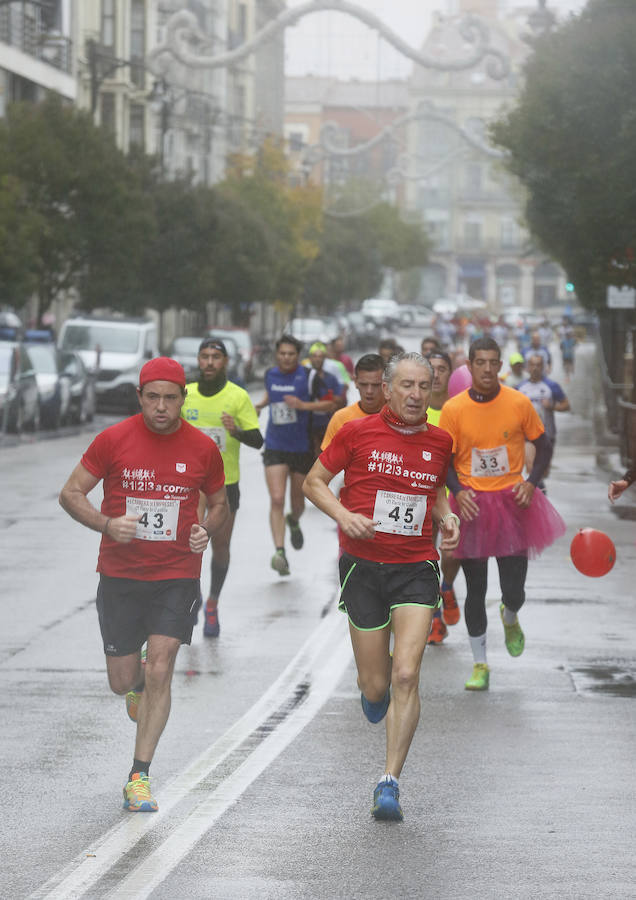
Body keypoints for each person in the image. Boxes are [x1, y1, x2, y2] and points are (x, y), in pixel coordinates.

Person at [58, 358, 228, 812]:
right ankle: (134, 686)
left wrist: (206, 529)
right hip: (120, 575)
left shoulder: (202, 448)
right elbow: (71, 493)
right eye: (152, 397)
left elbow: (219, 503)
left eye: (170, 398)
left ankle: (139, 774)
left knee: (161, 668)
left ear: (183, 400)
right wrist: (106, 523)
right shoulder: (113, 439)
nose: (160, 406)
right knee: (123, 681)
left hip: (177, 574)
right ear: (139, 397)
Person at [303, 352, 460, 822]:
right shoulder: (355, 432)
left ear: (432, 392)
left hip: (415, 566)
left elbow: (434, 490)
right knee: (376, 685)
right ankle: (375, 694)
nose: (415, 395)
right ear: (387, 390)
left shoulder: (440, 441)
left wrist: (446, 516)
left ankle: (389, 781)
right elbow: (314, 483)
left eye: (424, 387)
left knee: (407, 674)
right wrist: (345, 515)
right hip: (364, 567)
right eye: (406, 386)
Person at [439, 337, 566, 692]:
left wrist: (532, 482)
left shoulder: (518, 402)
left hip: (512, 503)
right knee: (475, 589)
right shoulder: (454, 409)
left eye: (493, 362)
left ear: (500, 366)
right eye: (480, 362)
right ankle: (480, 663)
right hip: (473, 507)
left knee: (515, 590)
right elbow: (443, 460)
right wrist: (459, 491)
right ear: (470, 364)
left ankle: (510, 616)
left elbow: (543, 445)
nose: (487, 369)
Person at [181, 338, 263, 637]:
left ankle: (212, 602)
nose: (210, 362)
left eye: (216, 357)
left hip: (225, 485)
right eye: (205, 356)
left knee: (221, 546)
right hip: (189, 484)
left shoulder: (237, 397)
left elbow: (258, 440)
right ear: (198, 360)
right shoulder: (185, 394)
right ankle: (191, 599)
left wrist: (235, 431)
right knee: (189, 547)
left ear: (225, 361)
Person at [256, 334, 336, 576]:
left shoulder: (309, 377)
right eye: (282, 353)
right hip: (275, 445)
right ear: (276, 354)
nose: (286, 358)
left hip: (301, 447)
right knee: (277, 499)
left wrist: (303, 406)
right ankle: (280, 552)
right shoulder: (270, 374)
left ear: (298, 356)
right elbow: (272, 396)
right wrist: (261, 405)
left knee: (298, 503)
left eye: (291, 354)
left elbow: (330, 404)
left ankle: (293, 520)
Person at [423, 350, 462, 644]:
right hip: (421, 495)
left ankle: (446, 586)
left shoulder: (458, 409)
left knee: (449, 553)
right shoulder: (414, 408)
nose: (436, 375)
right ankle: (434, 616)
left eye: (442, 369)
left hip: (451, 496)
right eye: (431, 369)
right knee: (425, 559)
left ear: (451, 373)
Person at [517, 353, 570, 490]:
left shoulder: (552, 386)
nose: (535, 368)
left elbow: (566, 405)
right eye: (532, 365)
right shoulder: (520, 388)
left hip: (547, 434)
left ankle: (540, 493)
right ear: (527, 367)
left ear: (544, 367)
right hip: (528, 437)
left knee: (542, 472)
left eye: (538, 365)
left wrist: (551, 406)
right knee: (532, 469)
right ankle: (536, 500)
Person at [320, 353, 385, 450]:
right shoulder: (341, 418)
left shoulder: (399, 417)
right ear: (355, 382)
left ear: (386, 384)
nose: (369, 391)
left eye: (376, 385)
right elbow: (325, 461)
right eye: (364, 384)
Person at [306, 341, 346, 457]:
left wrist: (328, 399)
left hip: (326, 423)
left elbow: (339, 400)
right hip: (308, 424)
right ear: (310, 358)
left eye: (320, 356)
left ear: (324, 358)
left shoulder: (331, 378)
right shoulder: (303, 376)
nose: (317, 359)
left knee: (324, 456)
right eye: (314, 356)